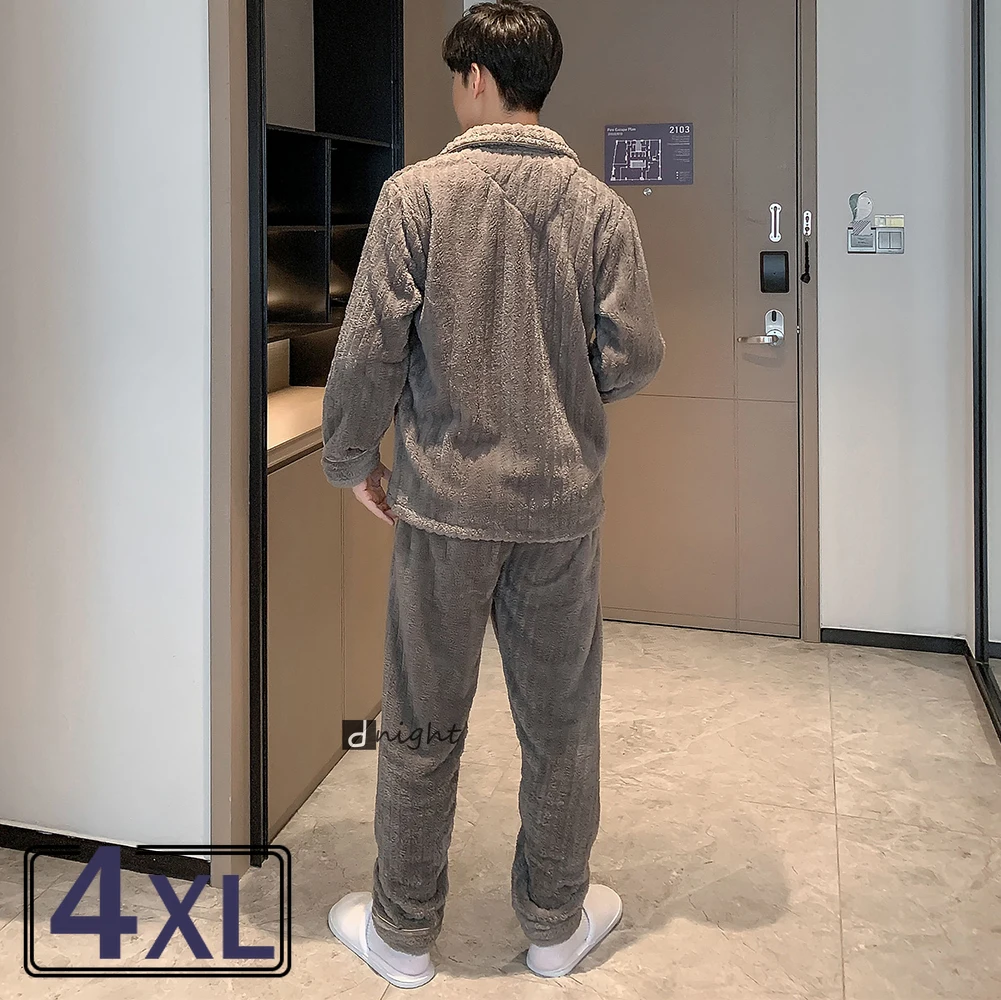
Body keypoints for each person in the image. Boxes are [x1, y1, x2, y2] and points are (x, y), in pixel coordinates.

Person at [321, 0, 663, 988]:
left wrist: (352, 459)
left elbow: (368, 355)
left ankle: (401, 934)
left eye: (453, 76)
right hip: (559, 513)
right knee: (559, 724)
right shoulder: (600, 210)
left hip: (443, 507)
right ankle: (555, 925)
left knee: (422, 721)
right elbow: (635, 355)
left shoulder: (414, 197)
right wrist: (565, 395)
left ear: (475, 78)